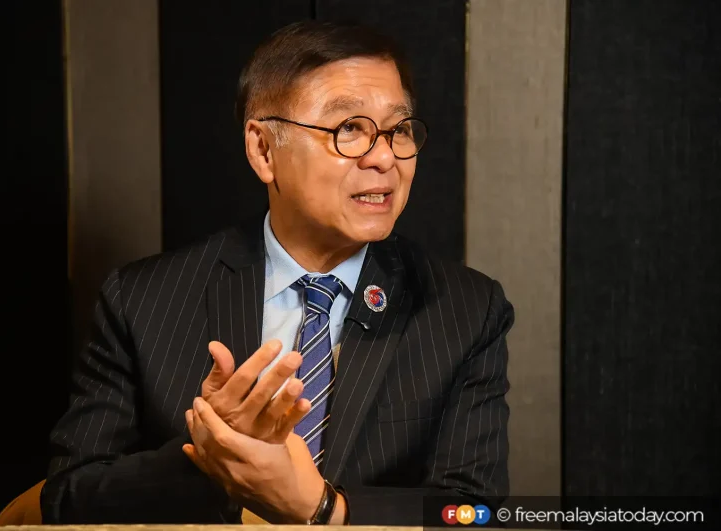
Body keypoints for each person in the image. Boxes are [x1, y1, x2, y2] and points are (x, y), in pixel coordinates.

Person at [41, 20, 513, 526]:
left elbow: (476, 513)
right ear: (264, 150)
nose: (384, 158)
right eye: (349, 129)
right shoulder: (143, 301)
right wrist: (211, 458)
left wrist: (325, 508)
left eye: (398, 130)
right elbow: (66, 498)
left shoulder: (466, 310)